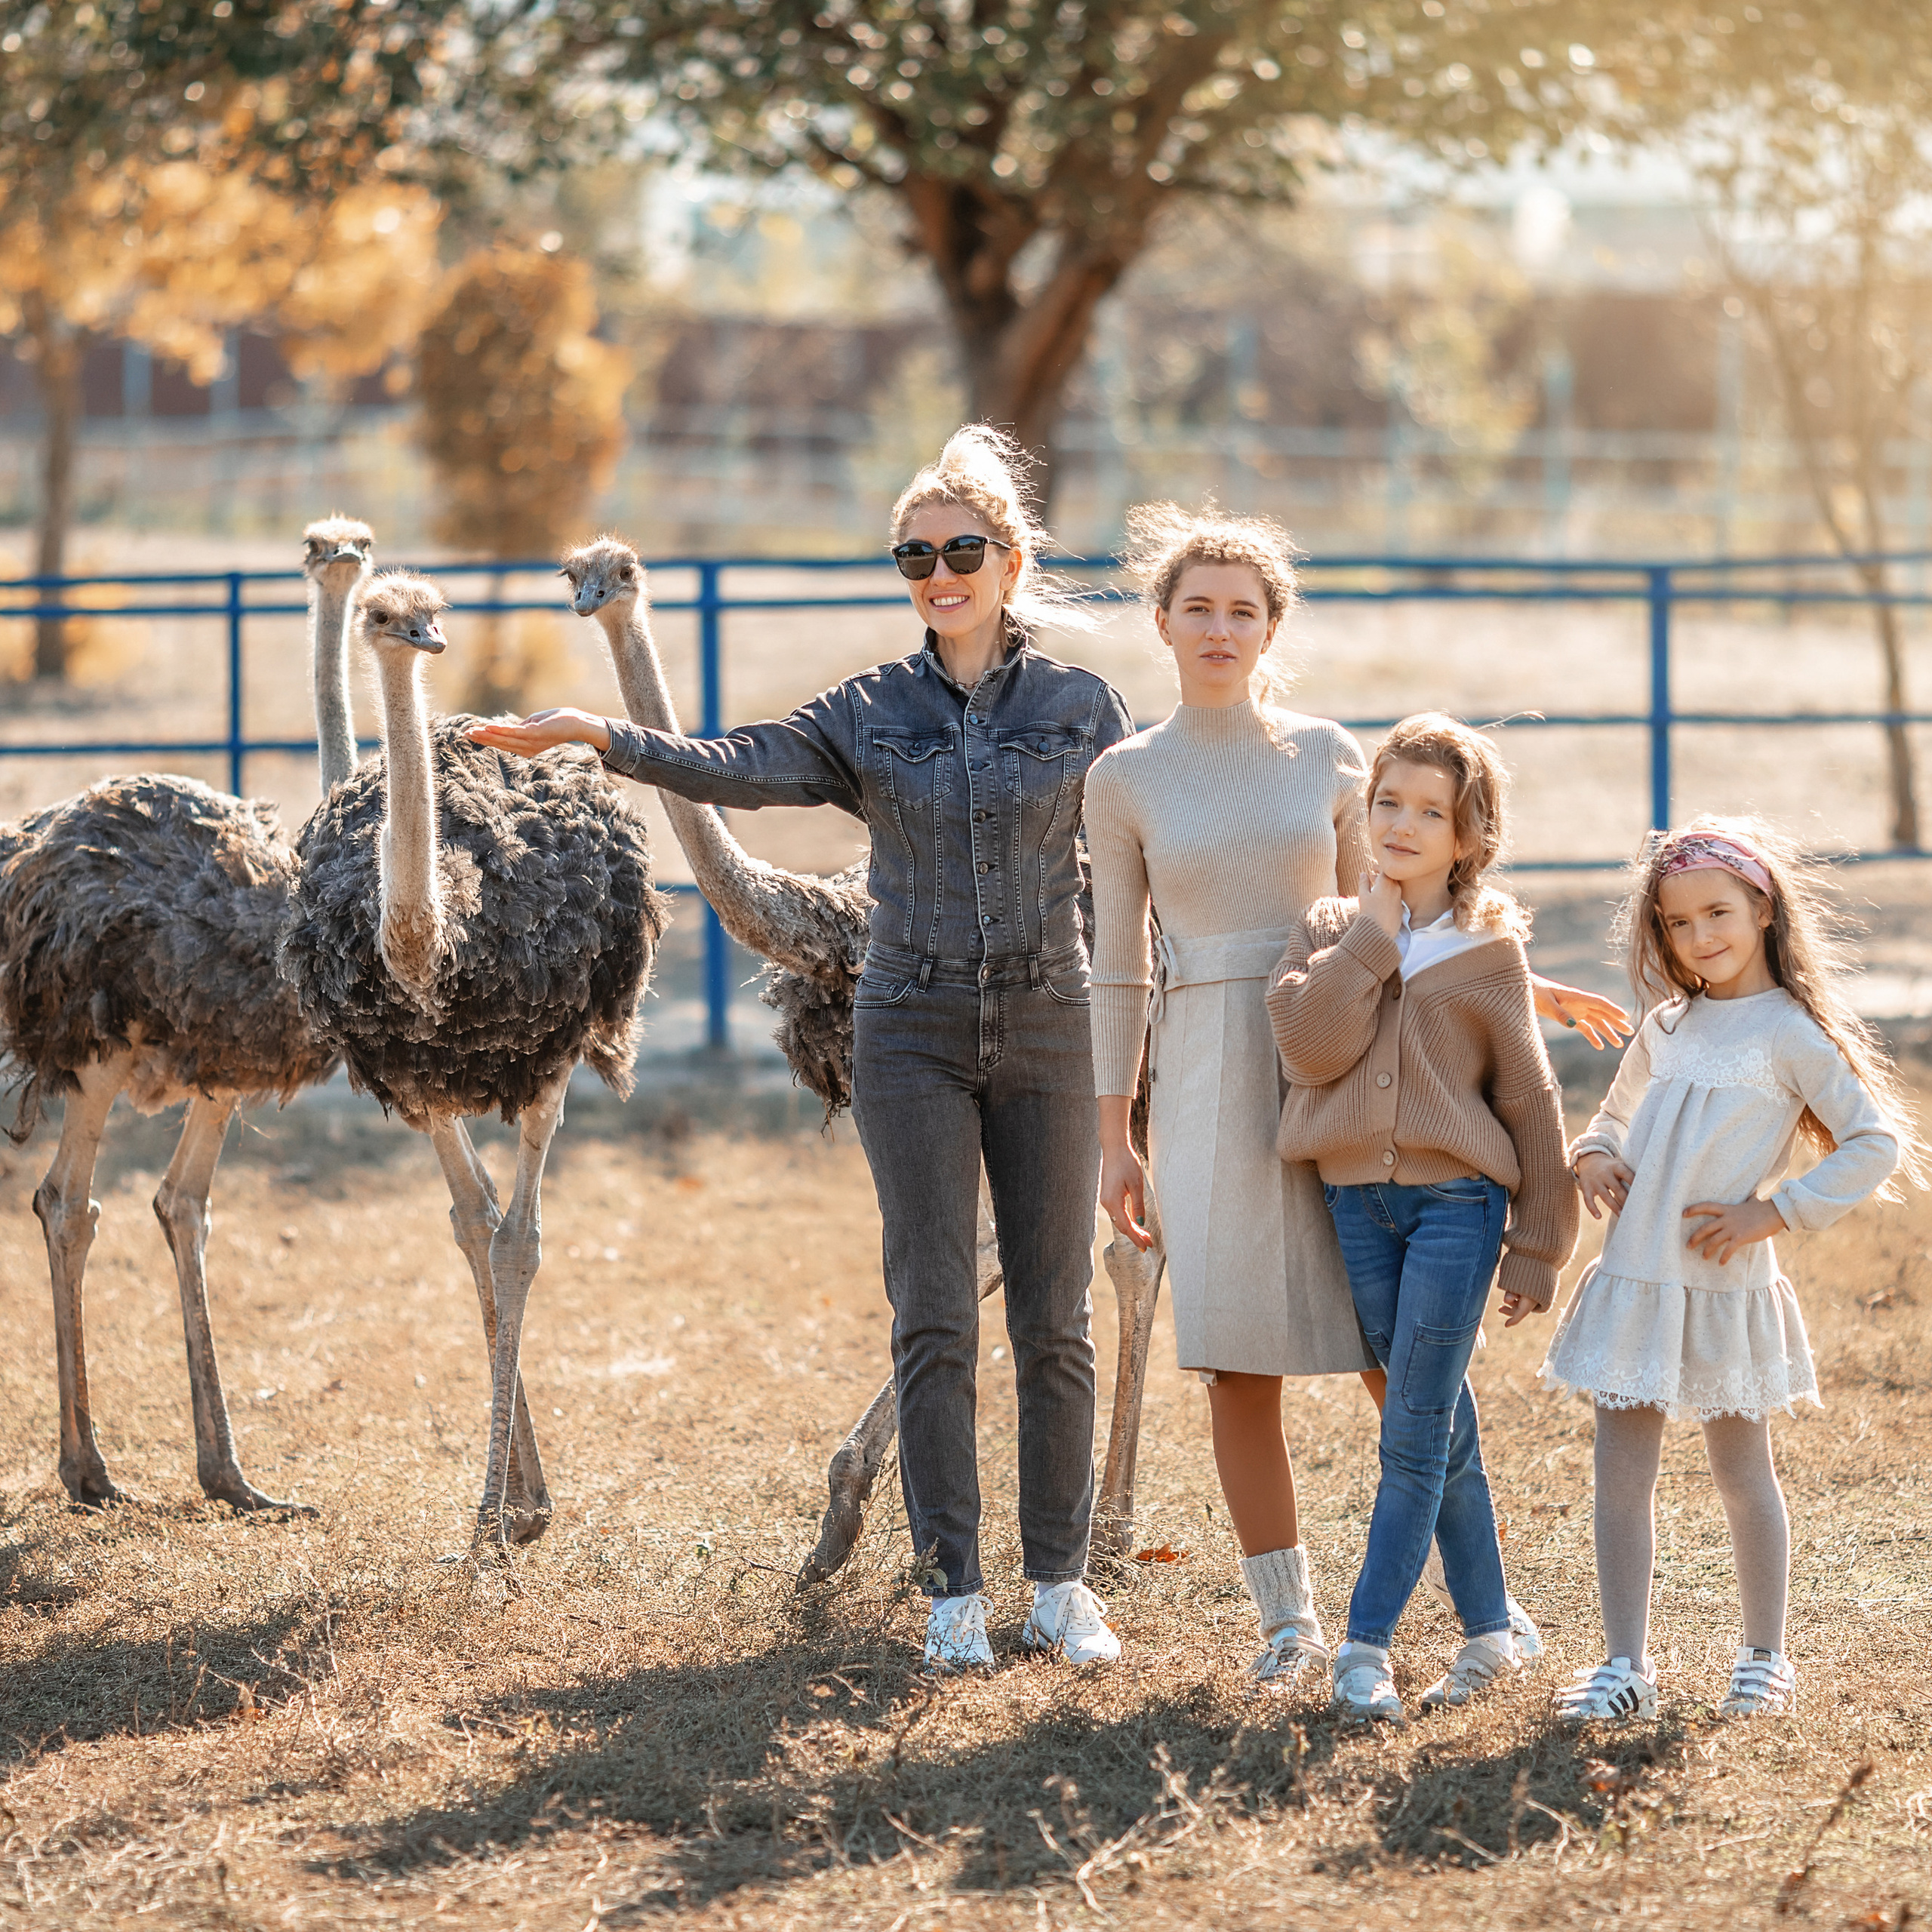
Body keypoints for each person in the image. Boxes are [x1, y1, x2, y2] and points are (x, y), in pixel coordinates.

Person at [472, 427, 1134, 1673]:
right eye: (914, 557)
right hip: (913, 1029)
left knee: (1057, 1319)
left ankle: (1060, 1588)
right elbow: (740, 765)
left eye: (962, 552)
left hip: (1053, 1025)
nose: (939, 575)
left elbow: (1153, 842)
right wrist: (605, 736)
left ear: (1011, 559)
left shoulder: (1083, 709)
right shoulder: (868, 713)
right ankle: (952, 1593)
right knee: (933, 1315)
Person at [1084, 507, 1616, 1694]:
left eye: (1244, 610)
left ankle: (1490, 1607)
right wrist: (1115, 1134)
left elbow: (1399, 923)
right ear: (1161, 621)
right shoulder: (1122, 779)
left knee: (1396, 1360)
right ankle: (1290, 1625)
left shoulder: (1328, 755)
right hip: (1206, 1073)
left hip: (1343, 1067)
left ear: (1272, 628)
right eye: (1198, 607)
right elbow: (1116, 966)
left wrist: (1528, 983)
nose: (1220, 629)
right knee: (1235, 1362)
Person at [1541, 819, 1918, 1724]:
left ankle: (1763, 1657)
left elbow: (1874, 1141)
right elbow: (1610, 1117)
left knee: (1742, 1470)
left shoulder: (1788, 1031)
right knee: (1618, 1472)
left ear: (1762, 908)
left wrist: (1775, 1211)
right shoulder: (1667, 1025)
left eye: (1717, 912)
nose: (1699, 935)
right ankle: (1624, 1665)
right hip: (1637, 1274)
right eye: (1677, 923)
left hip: (1722, 1284)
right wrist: (1592, 1155)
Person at [1267, 712, 1580, 1722]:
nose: (1401, 825)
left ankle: (1362, 1650)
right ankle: (1490, 1632)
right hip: (1356, 1203)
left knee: (1408, 1431)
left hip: (1458, 1206)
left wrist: (1538, 1245)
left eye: (1429, 812)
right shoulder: (1327, 929)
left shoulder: (1489, 950)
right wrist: (1370, 938)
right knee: (1439, 1428)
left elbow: (1530, 1101)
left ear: (1467, 834)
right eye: (1387, 802)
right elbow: (1308, 1050)